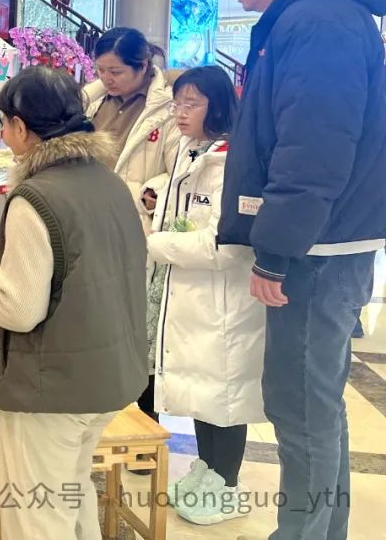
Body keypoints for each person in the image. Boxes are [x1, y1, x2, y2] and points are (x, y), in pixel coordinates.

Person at [217, 0, 386, 540]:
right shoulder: (322, 15)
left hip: (317, 248)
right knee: (315, 401)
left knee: (300, 403)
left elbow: (313, 148)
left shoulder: (318, 21)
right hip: (324, 241)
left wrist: (275, 251)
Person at [0, 67, 148, 540]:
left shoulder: (36, 197)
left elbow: (20, 308)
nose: (3, 134)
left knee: (38, 515)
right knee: (72, 491)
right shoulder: (109, 182)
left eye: (4, 124)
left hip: (52, 386)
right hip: (107, 374)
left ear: (21, 126)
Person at [141, 67, 265, 526]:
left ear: (218, 105)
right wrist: (157, 197)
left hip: (222, 303)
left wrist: (157, 244)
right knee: (199, 391)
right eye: (177, 103)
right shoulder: (190, 150)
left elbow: (226, 245)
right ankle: (207, 470)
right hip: (191, 298)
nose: (180, 112)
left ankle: (225, 484)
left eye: (191, 104)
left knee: (224, 397)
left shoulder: (233, 161)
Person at [84, 26, 179, 425]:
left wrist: (150, 191)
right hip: (89, 223)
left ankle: (142, 428)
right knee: (96, 326)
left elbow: (178, 170)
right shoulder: (93, 102)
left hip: (135, 227)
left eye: (116, 71)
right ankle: (99, 420)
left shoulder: (167, 109)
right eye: (101, 70)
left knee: (137, 332)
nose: (107, 78)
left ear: (142, 67)